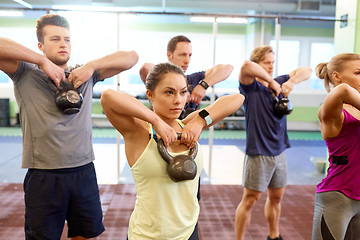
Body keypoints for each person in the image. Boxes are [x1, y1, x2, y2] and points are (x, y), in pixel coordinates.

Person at [0, 14, 138, 240]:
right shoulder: (25, 72)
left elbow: (131, 57)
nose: (63, 44)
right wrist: (41, 61)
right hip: (44, 175)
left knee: (85, 235)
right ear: (41, 46)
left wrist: (92, 66)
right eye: (54, 39)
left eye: (67, 39)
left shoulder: (83, 75)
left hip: (83, 171)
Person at [101, 62, 244, 239]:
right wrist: (156, 121)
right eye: (169, 92)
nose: (178, 100)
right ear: (150, 95)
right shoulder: (138, 131)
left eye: (183, 92)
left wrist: (200, 122)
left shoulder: (189, 124)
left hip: (188, 233)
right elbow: (108, 97)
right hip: (147, 236)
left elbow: (237, 99)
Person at [235, 45, 312, 240]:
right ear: (258, 64)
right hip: (258, 153)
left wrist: (291, 81)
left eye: (272, 63)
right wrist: (272, 82)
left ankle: (274, 235)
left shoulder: (279, 82)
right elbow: (245, 66)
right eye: (266, 63)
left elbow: (307, 71)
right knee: (250, 200)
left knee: (276, 198)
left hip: (279, 152)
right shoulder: (250, 88)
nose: (271, 67)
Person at [311, 53, 360, 240]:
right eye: (358, 72)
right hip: (337, 197)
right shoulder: (331, 111)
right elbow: (343, 91)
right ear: (337, 76)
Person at [139, 35, 234, 114]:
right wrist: (180, 92)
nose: (187, 60)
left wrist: (203, 85)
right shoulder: (159, 78)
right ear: (169, 55)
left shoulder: (193, 79)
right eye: (182, 55)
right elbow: (145, 67)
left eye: (189, 55)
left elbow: (228, 68)